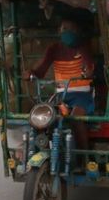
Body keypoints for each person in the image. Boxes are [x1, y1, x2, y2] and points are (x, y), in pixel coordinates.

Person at [25, 19, 94, 152]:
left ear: (77, 32)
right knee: (41, 117)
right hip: (61, 95)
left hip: (82, 95)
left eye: (72, 30)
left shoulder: (83, 46)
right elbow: (41, 70)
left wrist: (88, 71)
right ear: (59, 32)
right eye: (65, 29)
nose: (68, 32)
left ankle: (85, 154)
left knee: (76, 117)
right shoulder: (54, 49)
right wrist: (31, 73)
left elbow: (88, 65)